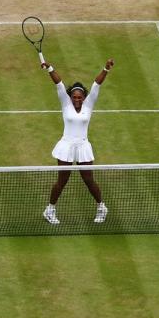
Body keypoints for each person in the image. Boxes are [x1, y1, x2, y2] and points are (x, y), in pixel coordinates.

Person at [39, 58, 113, 225]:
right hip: (66, 146)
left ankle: (102, 207)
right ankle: (49, 209)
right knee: (62, 181)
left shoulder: (89, 105)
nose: (77, 100)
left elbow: (96, 84)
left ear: (84, 97)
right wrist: (50, 67)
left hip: (83, 146)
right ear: (70, 96)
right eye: (74, 97)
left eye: (80, 97)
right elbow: (58, 84)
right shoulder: (66, 104)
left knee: (88, 180)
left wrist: (106, 69)